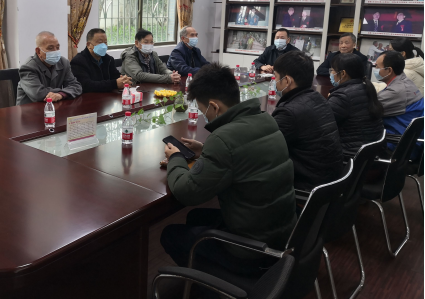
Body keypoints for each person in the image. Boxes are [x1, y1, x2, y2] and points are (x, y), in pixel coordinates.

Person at [160, 63, 296, 277]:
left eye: (203, 110)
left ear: (214, 107)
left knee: (169, 234)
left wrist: (176, 158)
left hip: (253, 251)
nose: (204, 116)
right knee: (195, 217)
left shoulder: (223, 139)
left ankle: (221, 284)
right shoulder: (266, 120)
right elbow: (242, 155)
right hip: (281, 234)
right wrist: (205, 150)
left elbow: (187, 192)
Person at [272, 51, 344, 190]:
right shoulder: (318, 98)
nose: (274, 82)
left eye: (275, 77)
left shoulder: (289, 113)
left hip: (308, 187)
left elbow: (267, 150)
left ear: (287, 81)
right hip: (330, 182)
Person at [328, 53, 384, 154]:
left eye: (332, 70)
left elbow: (321, 125)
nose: (331, 74)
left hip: (349, 153)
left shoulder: (342, 97)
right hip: (369, 151)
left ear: (343, 73)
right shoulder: (366, 87)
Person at [374, 51, 423, 151]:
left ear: (389, 70)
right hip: (410, 141)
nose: (375, 70)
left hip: (396, 144)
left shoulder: (396, 91)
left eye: (377, 67)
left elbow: (368, 111)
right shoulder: (405, 82)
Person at [17, 31, 82, 105]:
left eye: (57, 47)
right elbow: (38, 94)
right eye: (50, 48)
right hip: (30, 109)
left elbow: (76, 86)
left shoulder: (64, 62)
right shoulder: (28, 67)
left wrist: (61, 94)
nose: (55, 51)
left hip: (53, 107)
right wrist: (64, 90)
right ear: (38, 51)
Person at [70, 28, 132, 93]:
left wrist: (123, 80)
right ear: (88, 45)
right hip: (88, 97)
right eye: (100, 42)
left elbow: (116, 77)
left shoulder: (109, 59)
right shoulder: (78, 61)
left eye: (105, 42)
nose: (104, 46)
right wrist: (114, 84)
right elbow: (86, 85)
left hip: (108, 97)